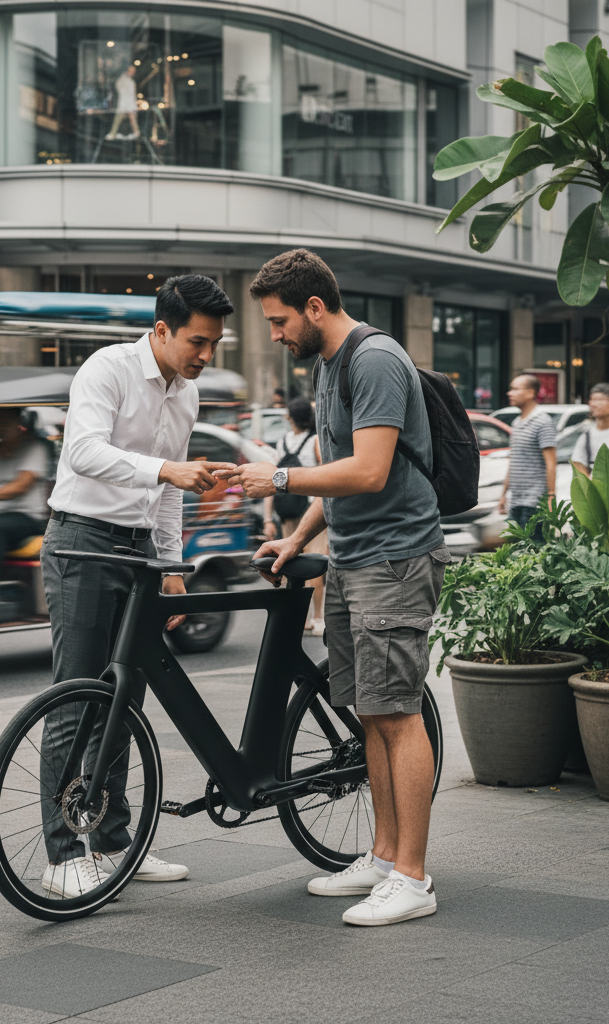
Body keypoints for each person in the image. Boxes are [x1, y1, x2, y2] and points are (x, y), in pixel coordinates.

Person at [220, 248, 450, 927]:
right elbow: (340, 473)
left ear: (316, 307)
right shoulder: (327, 367)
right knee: (369, 712)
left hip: (396, 560)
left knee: (398, 713)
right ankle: (382, 858)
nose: (277, 335)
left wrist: (281, 481)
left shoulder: (373, 360)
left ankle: (414, 876)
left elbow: (372, 470)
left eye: (281, 320)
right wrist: (296, 539)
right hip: (352, 559)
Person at [39, 274, 237, 896]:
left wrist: (173, 568)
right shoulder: (108, 369)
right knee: (78, 699)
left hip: (139, 553)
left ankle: (113, 841)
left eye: (215, 345)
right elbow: (84, 453)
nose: (206, 356)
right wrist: (165, 469)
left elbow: (170, 494)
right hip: (81, 541)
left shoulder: (187, 395)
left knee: (128, 697)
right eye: (197, 342)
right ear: (161, 330)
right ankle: (63, 852)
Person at [263, 397, 327, 634]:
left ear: (290, 417)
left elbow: (274, 479)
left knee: (291, 564)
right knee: (316, 563)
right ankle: (318, 618)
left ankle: (301, 617)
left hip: (289, 508)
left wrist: (267, 518)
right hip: (311, 509)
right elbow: (326, 474)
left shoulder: (282, 442)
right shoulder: (316, 440)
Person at [0, 408, 50, 586]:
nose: (0, 426)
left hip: (26, 518)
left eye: (5, 421)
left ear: (17, 422)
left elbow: (21, 485)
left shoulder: (35, 447)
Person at [496, 374, 557, 533]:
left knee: (534, 549)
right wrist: (504, 494)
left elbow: (551, 463)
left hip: (535, 501)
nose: (510, 393)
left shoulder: (543, 422)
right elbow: (514, 461)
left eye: (515, 389)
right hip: (516, 499)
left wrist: (550, 496)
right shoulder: (516, 423)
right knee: (517, 551)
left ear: (530, 393)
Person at [572, 382, 609, 481]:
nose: (593, 404)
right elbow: (578, 462)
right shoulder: (587, 432)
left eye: (599, 400)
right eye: (592, 399)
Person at [106, 66, 140, 140]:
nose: (132, 73)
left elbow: (132, 94)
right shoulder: (122, 79)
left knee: (132, 118)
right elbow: (119, 89)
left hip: (129, 102)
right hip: (124, 101)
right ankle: (113, 133)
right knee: (119, 117)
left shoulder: (131, 81)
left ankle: (136, 132)